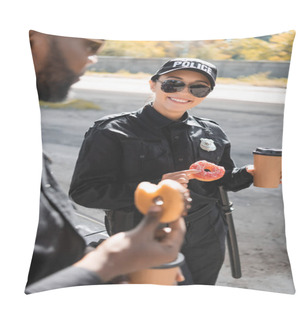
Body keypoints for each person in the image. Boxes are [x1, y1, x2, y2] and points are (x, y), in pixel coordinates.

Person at [25, 31, 188, 294]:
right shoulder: (111, 129)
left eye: (199, 87)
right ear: (34, 37)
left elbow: (41, 241)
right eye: (89, 45)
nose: (92, 60)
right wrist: (110, 260)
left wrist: (96, 254)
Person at [69, 57, 255, 285]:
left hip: (206, 234)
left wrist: (249, 172)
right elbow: (85, 192)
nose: (184, 92)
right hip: (141, 232)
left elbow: (222, 180)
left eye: (198, 87)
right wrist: (155, 186)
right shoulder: (112, 131)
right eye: (173, 84)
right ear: (153, 84)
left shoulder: (212, 131)